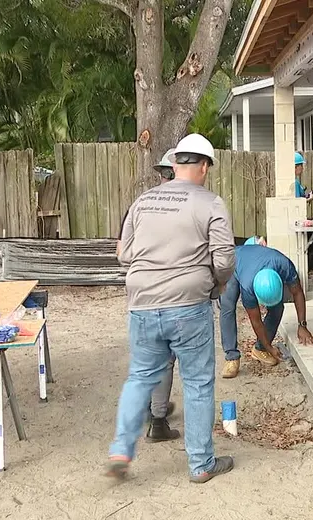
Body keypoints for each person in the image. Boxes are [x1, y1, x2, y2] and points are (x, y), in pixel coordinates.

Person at [106, 133, 236, 484]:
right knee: (196, 382)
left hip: (143, 304)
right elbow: (224, 259)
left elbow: (124, 254)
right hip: (188, 306)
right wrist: (216, 283)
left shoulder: (143, 202)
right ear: (205, 166)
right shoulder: (211, 203)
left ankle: (121, 450)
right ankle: (200, 464)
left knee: (140, 377)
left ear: (175, 164)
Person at [116, 147, 182, 443]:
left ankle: (147, 408)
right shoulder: (192, 204)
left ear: (161, 173)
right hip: (175, 292)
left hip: (141, 292)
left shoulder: (140, 204)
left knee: (147, 355)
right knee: (167, 357)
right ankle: (157, 420)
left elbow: (123, 254)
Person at [219, 244, 313, 379]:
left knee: (278, 307)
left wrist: (302, 325)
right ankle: (231, 357)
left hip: (255, 261)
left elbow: (298, 292)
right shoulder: (248, 286)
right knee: (227, 308)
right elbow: (256, 320)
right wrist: (271, 348)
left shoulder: (285, 266)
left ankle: (260, 349)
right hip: (232, 262)